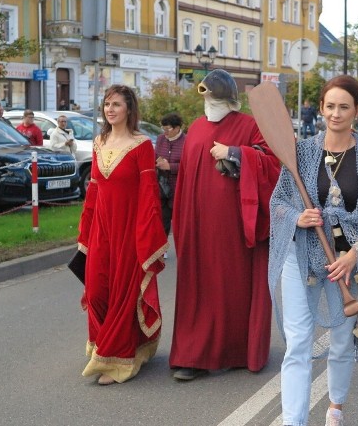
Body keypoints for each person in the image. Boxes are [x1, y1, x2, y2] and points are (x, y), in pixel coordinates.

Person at [269, 75, 358, 426]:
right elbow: (277, 203)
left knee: (340, 342)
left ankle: (335, 406)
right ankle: (294, 421)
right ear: (320, 108)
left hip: (345, 263)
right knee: (298, 344)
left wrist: (354, 254)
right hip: (301, 259)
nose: (336, 114)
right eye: (330, 106)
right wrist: (297, 215)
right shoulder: (300, 152)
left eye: (344, 107)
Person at [169, 69, 281, 381]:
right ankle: (193, 355)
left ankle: (236, 351)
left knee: (232, 289)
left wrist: (235, 153)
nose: (208, 100)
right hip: (199, 227)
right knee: (198, 288)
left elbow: (273, 161)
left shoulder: (249, 125)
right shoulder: (196, 127)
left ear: (227, 97)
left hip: (235, 228)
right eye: (204, 94)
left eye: (213, 94)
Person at [78, 85, 167, 385]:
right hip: (102, 229)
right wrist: (85, 232)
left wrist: (148, 238)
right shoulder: (98, 141)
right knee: (96, 291)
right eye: (106, 104)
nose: (110, 109)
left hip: (130, 231)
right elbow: (93, 191)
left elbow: (149, 194)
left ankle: (119, 360)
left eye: (117, 104)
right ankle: (105, 349)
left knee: (122, 295)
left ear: (129, 108)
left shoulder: (142, 145)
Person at [154, 112, 185, 245]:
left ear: (177, 128)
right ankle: (162, 246)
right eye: (163, 128)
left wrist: (170, 166)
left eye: (168, 129)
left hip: (179, 188)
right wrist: (157, 162)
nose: (165, 132)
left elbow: (189, 165)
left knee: (180, 221)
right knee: (162, 218)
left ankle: (183, 247)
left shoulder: (187, 141)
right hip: (162, 186)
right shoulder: (160, 139)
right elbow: (155, 156)